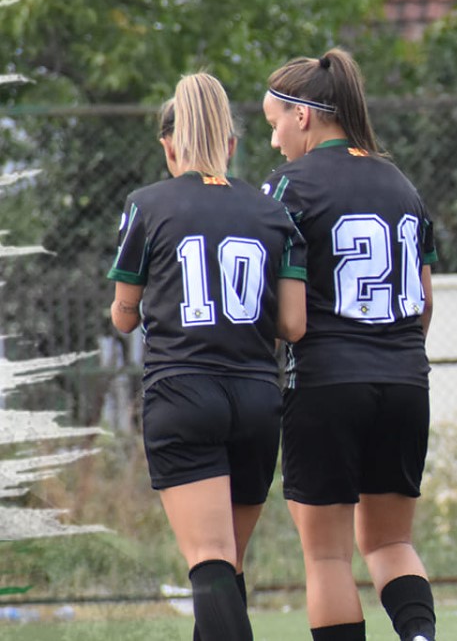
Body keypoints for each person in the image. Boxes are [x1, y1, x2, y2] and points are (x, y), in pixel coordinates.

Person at [108, 72, 307, 641]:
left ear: (169, 145)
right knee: (226, 565)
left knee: (210, 561)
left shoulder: (147, 205)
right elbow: (293, 325)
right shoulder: (273, 212)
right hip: (256, 395)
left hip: (182, 390)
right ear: (232, 144)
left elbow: (124, 315)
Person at [262, 48, 438, 641]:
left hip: (326, 380)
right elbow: (424, 302)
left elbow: (278, 303)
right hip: (406, 380)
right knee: (391, 543)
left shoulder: (288, 185)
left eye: (275, 123)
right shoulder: (400, 182)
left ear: (304, 116)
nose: (274, 140)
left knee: (328, 557)